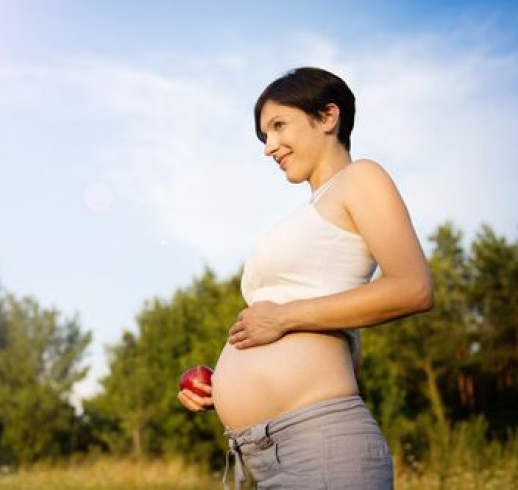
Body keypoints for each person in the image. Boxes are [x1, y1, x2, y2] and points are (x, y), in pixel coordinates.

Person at [177, 67, 433, 489]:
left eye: (278, 126)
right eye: (264, 136)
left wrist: (282, 318)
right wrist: (223, 388)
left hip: (318, 446)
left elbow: (413, 288)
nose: (269, 147)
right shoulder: (312, 212)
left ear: (328, 116)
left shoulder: (360, 177)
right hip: (262, 452)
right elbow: (342, 342)